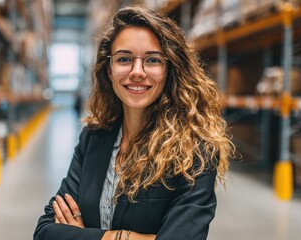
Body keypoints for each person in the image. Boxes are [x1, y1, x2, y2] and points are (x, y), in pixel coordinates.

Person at [34, 6, 234, 240]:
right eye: (124, 59)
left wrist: (85, 235)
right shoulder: (93, 138)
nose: (137, 71)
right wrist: (121, 237)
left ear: (170, 69)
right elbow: (46, 231)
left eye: (152, 60)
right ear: (109, 70)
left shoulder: (196, 151)